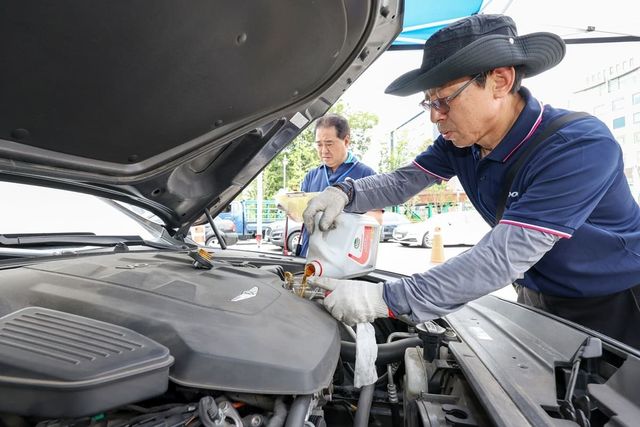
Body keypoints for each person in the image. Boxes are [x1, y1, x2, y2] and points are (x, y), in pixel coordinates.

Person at [302, 14, 640, 349]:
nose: (434, 116)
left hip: (613, 302)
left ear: (500, 81)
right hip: (535, 294)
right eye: (429, 102)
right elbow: (404, 180)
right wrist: (344, 192)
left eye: (444, 100)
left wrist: (384, 298)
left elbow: (503, 256)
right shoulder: (460, 143)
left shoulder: (577, 146)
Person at [296, 113, 380, 257]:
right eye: (319, 144)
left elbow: (377, 219)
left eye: (329, 144)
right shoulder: (311, 176)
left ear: (346, 141)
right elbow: (301, 214)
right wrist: (290, 208)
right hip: (308, 256)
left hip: (343, 259)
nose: (323, 150)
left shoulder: (366, 174)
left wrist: (340, 218)